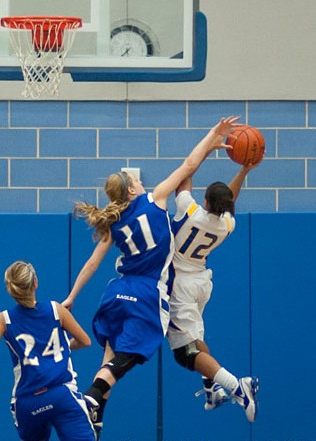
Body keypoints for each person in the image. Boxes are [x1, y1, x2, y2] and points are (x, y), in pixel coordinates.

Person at [61, 116, 241, 438]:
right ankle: (89, 395)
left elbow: (90, 264)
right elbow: (188, 165)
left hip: (115, 293)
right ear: (132, 189)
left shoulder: (113, 223)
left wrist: (72, 297)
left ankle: (95, 419)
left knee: (110, 358)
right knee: (130, 357)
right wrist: (213, 136)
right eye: (137, 181)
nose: (142, 183)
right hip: (146, 295)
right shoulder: (155, 199)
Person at [167, 162, 262, 423]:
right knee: (197, 342)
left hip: (181, 285)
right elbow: (230, 199)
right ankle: (212, 393)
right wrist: (243, 172)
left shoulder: (190, 211)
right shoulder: (226, 226)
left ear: (206, 200)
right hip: (201, 282)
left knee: (185, 353)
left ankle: (235, 386)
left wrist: (193, 160)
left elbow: (182, 181)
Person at [0, 260, 96, 441]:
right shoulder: (56, 310)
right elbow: (85, 341)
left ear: (11, 290)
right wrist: (63, 346)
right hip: (61, 394)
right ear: (35, 283)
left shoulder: (2, 320)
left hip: (27, 402)